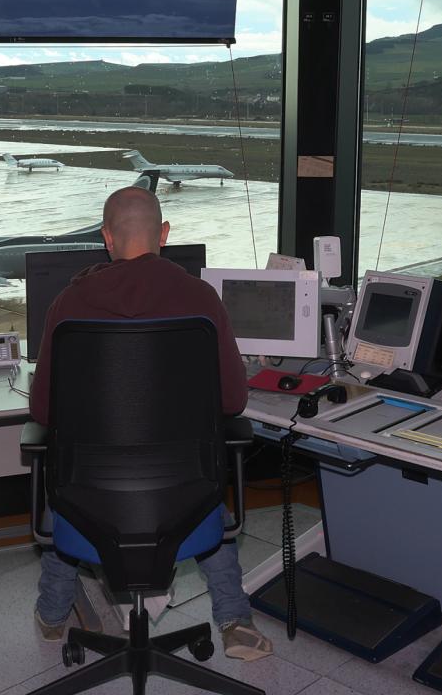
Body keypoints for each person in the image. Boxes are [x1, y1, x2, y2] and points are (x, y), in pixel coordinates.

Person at [28, 184, 270, 661]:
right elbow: (233, 400)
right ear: (164, 233)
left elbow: (42, 413)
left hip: (89, 499)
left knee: (65, 496)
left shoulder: (68, 304)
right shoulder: (202, 300)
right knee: (206, 494)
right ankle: (236, 621)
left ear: (106, 237)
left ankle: (52, 617)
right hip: (183, 497)